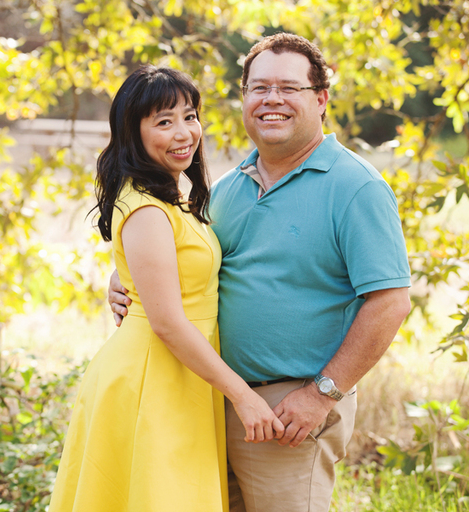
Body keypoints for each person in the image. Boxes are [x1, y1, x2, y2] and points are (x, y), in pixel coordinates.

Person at [108, 34, 412, 512]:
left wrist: (321, 395)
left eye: (289, 88)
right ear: (244, 98)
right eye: (259, 88)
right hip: (207, 401)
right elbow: (185, 260)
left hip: (289, 408)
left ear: (321, 99)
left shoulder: (357, 187)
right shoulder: (226, 189)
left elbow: (390, 303)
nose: (272, 100)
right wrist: (126, 279)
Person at [49, 65, 284, 512]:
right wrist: (243, 396)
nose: (183, 133)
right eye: (164, 121)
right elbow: (169, 323)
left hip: (183, 373)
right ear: (133, 134)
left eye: (190, 116)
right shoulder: (147, 208)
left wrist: (125, 276)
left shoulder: (171, 199)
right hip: (152, 376)